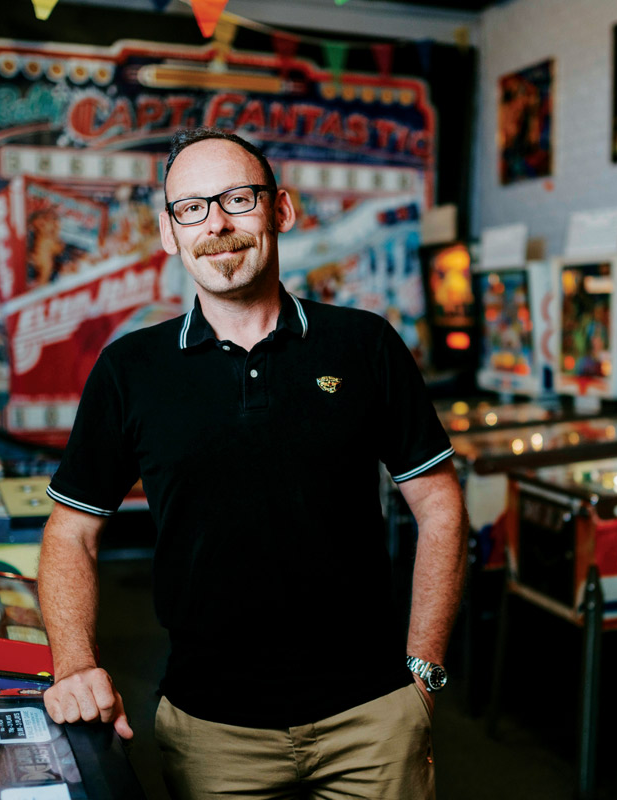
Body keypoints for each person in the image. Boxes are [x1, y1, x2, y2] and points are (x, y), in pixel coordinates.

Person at [37, 126, 468, 800]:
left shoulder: (366, 345)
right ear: (168, 233)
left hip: (373, 718)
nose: (217, 224)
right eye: (192, 208)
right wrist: (74, 665)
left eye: (238, 199)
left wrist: (425, 672)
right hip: (211, 731)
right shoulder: (131, 370)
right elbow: (71, 532)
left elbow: (439, 505)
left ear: (281, 210)